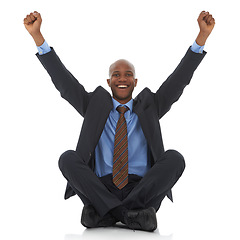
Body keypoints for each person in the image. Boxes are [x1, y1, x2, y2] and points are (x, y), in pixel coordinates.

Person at [23, 10, 215, 231]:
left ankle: (105, 214)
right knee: (67, 159)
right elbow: (64, 83)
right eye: (116, 74)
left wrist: (201, 37)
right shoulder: (93, 105)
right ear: (108, 81)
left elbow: (179, 80)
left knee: (175, 159)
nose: (122, 78)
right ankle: (129, 215)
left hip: (142, 189)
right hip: (100, 188)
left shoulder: (151, 105)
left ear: (135, 81)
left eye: (127, 74)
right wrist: (38, 37)